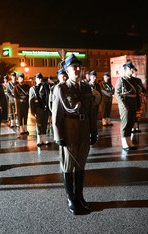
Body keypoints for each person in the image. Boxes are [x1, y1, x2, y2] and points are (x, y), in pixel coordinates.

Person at [51, 54, 98, 215]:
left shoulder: (86, 88)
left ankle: (80, 196)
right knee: (68, 165)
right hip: (69, 128)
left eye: (79, 67)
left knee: (81, 164)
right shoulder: (61, 88)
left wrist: (94, 131)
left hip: (84, 128)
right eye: (73, 67)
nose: (77, 69)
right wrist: (59, 136)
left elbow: (92, 112)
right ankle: (70, 198)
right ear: (67, 71)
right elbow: (56, 113)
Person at [115, 61, 139, 151]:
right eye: (130, 69)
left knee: (131, 123)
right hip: (125, 104)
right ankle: (124, 143)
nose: (132, 70)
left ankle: (129, 142)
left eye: (132, 69)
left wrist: (138, 104)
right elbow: (117, 94)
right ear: (125, 70)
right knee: (125, 124)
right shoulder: (121, 80)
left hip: (133, 104)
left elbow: (136, 93)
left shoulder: (133, 80)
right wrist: (123, 104)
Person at [29, 72, 51, 146]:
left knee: (45, 123)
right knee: (39, 125)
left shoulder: (46, 87)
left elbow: (49, 97)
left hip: (45, 108)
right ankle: (39, 140)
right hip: (38, 109)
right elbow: (31, 101)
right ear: (36, 79)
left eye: (41, 78)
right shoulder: (33, 89)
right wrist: (32, 111)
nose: (40, 80)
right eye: (38, 78)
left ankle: (44, 139)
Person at [131, 67, 147, 133]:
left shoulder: (138, 80)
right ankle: (132, 128)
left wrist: (145, 92)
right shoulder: (130, 80)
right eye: (134, 72)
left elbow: (142, 88)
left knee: (138, 113)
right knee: (133, 114)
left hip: (139, 98)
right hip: (132, 99)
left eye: (136, 72)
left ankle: (136, 127)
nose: (136, 73)